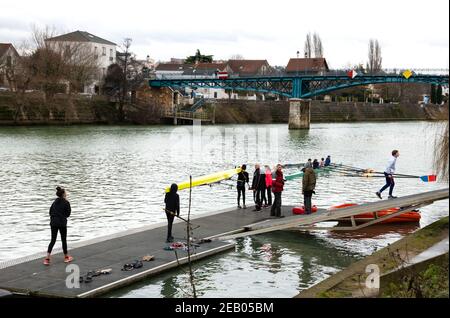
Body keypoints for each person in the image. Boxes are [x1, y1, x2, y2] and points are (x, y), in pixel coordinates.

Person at [43, 186, 73, 265]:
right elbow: (68, 214)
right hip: (62, 223)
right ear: (63, 194)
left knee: (53, 240)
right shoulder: (66, 202)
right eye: (65, 192)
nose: (66, 194)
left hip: (53, 222)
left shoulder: (54, 202)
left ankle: (47, 258)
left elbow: (50, 212)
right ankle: (66, 257)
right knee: (63, 240)